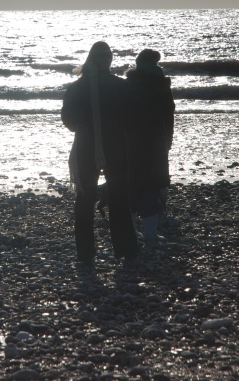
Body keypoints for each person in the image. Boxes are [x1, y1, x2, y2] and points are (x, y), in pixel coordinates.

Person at [61, 41, 139, 269]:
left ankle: (85, 253)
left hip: (85, 146)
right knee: (118, 198)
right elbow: (133, 118)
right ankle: (126, 250)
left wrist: (87, 127)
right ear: (109, 61)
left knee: (84, 198)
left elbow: (69, 122)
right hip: (115, 145)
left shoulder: (76, 88)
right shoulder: (121, 86)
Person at [125, 48, 175, 246]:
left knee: (132, 185)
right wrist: (168, 139)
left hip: (130, 140)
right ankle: (151, 234)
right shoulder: (160, 83)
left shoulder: (128, 83)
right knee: (152, 185)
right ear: (156, 63)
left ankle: (131, 231)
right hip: (155, 140)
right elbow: (168, 114)